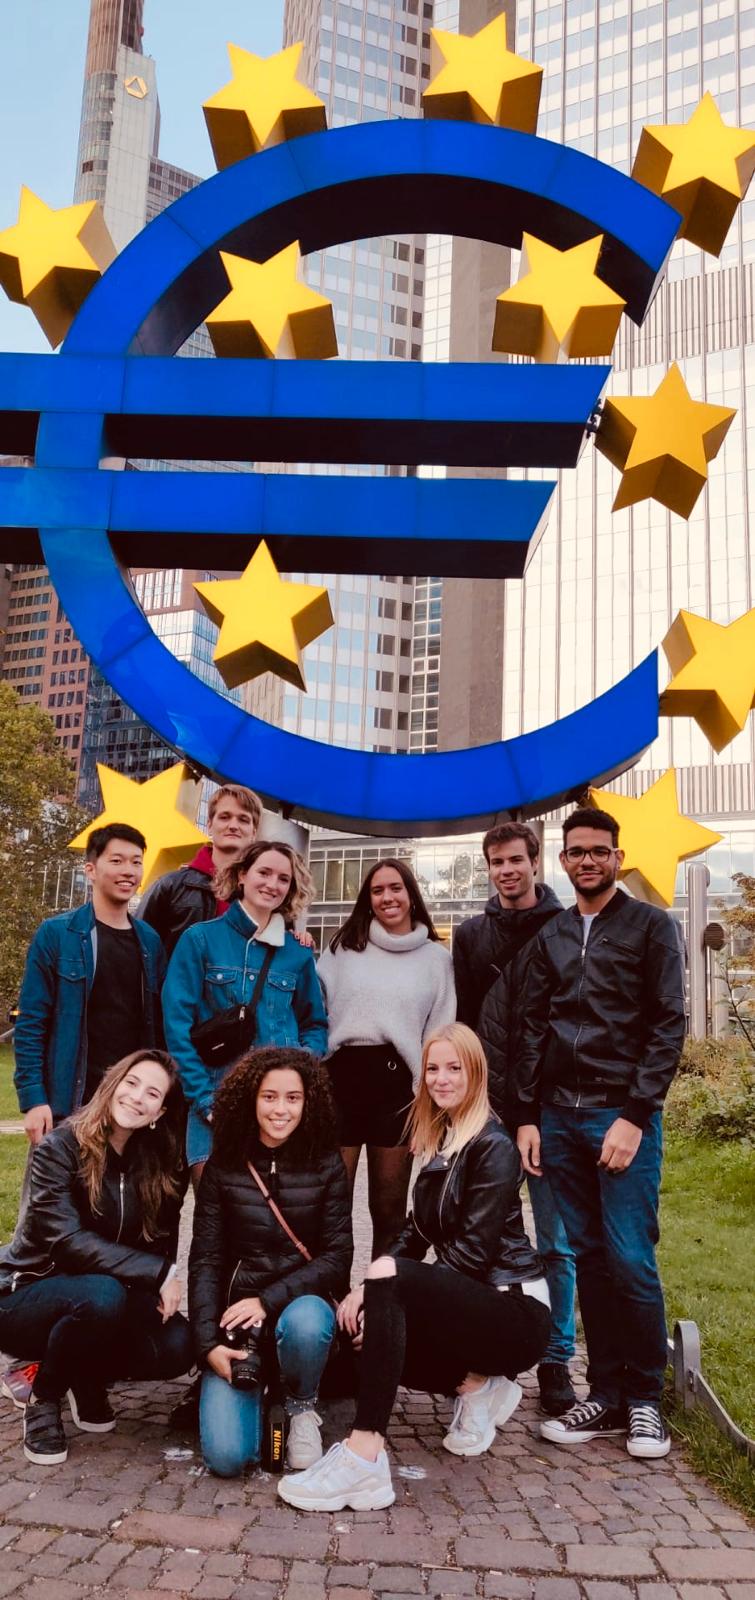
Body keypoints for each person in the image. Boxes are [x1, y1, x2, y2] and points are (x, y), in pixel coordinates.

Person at [277, 1023, 551, 1511]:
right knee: (367, 1331)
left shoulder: (493, 1146)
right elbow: (415, 1232)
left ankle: (364, 1457)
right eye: (431, 1069)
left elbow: (471, 1255)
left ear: (476, 1073)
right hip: (475, 1305)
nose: (441, 1079)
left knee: (389, 1297)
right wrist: (368, 1289)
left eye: (453, 1068)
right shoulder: (444, 1139)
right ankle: (476, 1385)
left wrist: (390, 1290)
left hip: (515, 1310)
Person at [516, 807, 686, 1460]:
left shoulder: (649, 926)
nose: (586, 860)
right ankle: (607, 1392)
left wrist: (634, 1115)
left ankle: (646, 1399)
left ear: (617, 856)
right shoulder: (553, 935)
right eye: (575, 852)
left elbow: (666, 1024)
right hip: (558, 1117)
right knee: (585, 1256)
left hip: (621, 1118)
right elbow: (533, 1024)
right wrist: (528, 1115)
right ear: (561, 861)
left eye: (598, 851)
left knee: (629, 1258)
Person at [0, 1050, 192, 1466]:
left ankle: (84, 1375)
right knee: (101, 1296)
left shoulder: (156, 1161)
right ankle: (43, 1397)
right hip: (25, 1295)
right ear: (112, 1084)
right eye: (132, 1083)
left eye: (152, 1093)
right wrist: (160, 1272)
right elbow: (66, 1241)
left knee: (178, 1343)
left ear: (160, 1111)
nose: (138, 1097)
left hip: (102, 1298)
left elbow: (161, 1236)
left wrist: (157, 1283)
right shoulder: (60, 1147)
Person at [188, 1046, 353, 1477]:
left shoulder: (327, 1163)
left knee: (304, 1322)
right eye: (269, 1096)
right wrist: (207, 1345)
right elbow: (204, 1260)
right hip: (239, 1323)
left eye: (293, 1098)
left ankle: (301, 1407)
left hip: (303, 1310)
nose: (281, 1109)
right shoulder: (222, 1165)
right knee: (227, 1458)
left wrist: (267, 1299)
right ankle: (259, 1389)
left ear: (308, 1102)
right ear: (250, 1099)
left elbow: (338, 1257)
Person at [474, 823, 577, 1419]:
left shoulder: (566, 930)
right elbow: (465, 1024)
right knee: (483, 1234)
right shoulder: (471, 937)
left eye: (516, 859)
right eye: (496, 862)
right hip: (489, 1111)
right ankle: (490, 1349)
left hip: (550, 1106)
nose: (507, 870)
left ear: (537, 862)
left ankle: (557, 1357)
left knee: (555, 1242)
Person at [163, 840, 328, 1188]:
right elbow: (177, 1027)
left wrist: (298, 1070)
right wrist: (205, 1100)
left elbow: (315, 1023)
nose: (272, 884)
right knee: (215, 1226)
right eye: (264, 872)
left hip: (281, 1114)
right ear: (242, 876)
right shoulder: (200, 939)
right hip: (216, 1107)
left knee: (274, 1225)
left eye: (283, 879)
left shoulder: (296, 953)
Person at [317, 859, 456, 1256]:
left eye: (395, 888)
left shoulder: (436, 958)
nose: (387, 897)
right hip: (338, 1081)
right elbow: (315, 1007)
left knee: (390, 1211)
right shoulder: (343, 947)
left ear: (411, 894)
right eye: (377, 891)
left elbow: (439, 1032)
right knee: (331, 1208)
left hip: (398, 1089)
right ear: (368, 899)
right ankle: (330, 1301)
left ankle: (380, 1306)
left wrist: (431, 1104)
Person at [13, 824, 165, 1145]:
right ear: (91, 870)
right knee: (55, 1194)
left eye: (136, 862)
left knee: (120, 1195)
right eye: (117, 860)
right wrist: (33, 1099)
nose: (128, 871)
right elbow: (31, 1023)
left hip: (129, 1103)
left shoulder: (150, 941)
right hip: (69, 1099)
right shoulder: (56, 934)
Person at [138, 783, 262, 958]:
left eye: (243, 819)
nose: (233, 825)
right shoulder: (170, 886)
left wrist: (302, 939)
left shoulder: (266, 892)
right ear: (210, 825)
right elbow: (137, 947)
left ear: (254, 832)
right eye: (225, 817)